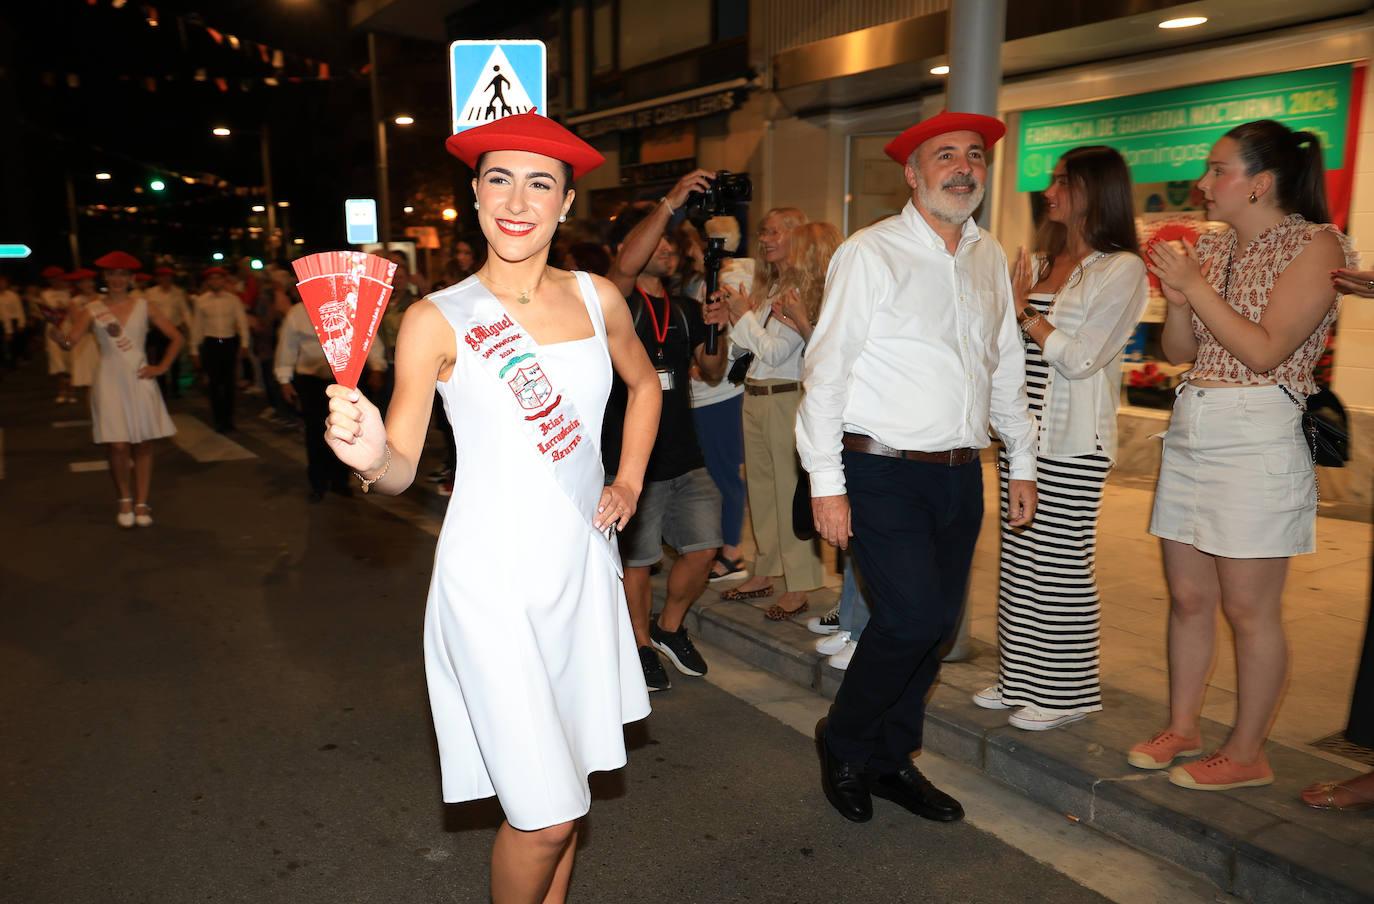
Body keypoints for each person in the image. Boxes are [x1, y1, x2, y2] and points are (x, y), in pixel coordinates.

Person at [322, 112, 658, 904]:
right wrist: (372, 455)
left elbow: (646, 386)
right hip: (490, 587)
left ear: (565, 201)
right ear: (474, 196)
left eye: (540, 182)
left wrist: (631, 481)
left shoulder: (599, 297)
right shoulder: (437, 318)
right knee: (543, 818)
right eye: (499, 179)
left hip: (580, 573)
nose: (518, 198)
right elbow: (403, 466)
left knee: (570, 798)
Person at [798, 111, 1037, 824]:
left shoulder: (989, 256)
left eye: (975, 156)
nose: (963, 168)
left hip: (960, 473)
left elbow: (1006, 366)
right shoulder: (871, 254)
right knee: (911, 618)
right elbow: (826, 372)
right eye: (945, 156)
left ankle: (889, 758)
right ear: (912, 173)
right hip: (881, 470)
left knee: (934, 629)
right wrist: (827, 485)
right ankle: (842, 738)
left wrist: (1020, 460)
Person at [1140, 120, 1355, 792]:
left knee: (1248, 607)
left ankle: (1247, 751)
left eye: (1217, 170)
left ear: (1260, 183)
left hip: (1260, 427)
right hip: (1196, 420)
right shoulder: (1213, 245)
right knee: (1188, 595)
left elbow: (1266, 350)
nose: (1204, 185)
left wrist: (1196, 289)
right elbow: (1180, 352)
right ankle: (1183, 725)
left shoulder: (1317, 245)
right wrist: (1179, 299)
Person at [971, 147, 1150, 731]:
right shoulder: (1047, 260)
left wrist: (1024, 315)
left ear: (1092, 192)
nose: (1047, 192)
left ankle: (1068, 691)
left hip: (1072, 442)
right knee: (1019, 561)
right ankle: (1021, 677)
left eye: (1060, 182)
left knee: (1058, 565)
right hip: (1024, 437)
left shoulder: (1120, 268)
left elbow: (1081, 358)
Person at [604, 170, 730, 691]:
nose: (669, 252)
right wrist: (671, 202)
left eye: (675, 246)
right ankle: (637, 644)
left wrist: (718, 326)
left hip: (685, 452)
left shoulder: (682, 309)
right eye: (660, 242)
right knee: (640, 559)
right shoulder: (616, 301)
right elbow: (624, 267)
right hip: (634, 456)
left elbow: (714, 368)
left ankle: (668, 628)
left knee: (704, 548)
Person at [711, 208, 826, 620]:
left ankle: (798, 584)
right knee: (761, 491)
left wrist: (743, 317)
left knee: (788, 492)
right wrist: (738, 318)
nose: (765, 240)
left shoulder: (806, 288)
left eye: (774, 232)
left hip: (785, 397)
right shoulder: (771, 284)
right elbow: (748, 351)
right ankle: (766, 570)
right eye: (762, 233)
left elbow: (777, 351)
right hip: (756, 393)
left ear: (796, 236)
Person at [54, 252, 181, 527]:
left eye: (122, 274)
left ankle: (142, 501)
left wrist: (161, 368)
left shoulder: (145, 306)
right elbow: (69, 342)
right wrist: (56, 334)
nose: (117, 279)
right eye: (112, 274)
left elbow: (176, 337)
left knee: (144, 442)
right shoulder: (92, 309)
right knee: (118, 444)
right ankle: (124, 496)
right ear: (105, 277)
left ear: (131, 278)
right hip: (109, 379)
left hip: (139, 376)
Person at [275, 290, 387, 502]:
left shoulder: (350, 310)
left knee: (346, 432)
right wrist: (284, 379)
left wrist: (377, 367)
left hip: (345, 380)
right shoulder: (297, 313)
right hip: (311, 382)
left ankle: (340, 481)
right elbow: (287, 347)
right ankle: (317, 483)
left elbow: (368, 337)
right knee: (315, 432)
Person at [689, 217, 750, 584]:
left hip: (721, 394)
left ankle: (732, 552)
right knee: (712, 474)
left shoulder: (728, 284)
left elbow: (738, 338)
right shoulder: (701, 283)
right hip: (706, 396)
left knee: (724, 474)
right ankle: (721, 547)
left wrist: (709, 363)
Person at [191, 266, 250, 432]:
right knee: (214, 384)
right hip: (210, 344)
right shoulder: (201, 301)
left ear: (224, 281)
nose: (215, 281)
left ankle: (229, 419)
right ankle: (218, 419)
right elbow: (197, 326)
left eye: (219, 278)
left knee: (230, 383)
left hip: (229, 343)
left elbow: (242, 322)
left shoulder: (233, 300)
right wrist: (194, 350)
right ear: (208, 281)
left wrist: (245, 343)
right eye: (212, 279)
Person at [144, 266, 191, 398]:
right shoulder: (150, 293)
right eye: (162, 276)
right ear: (158, 278)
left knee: (175, 359)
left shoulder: (178, 293)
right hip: (158, 330)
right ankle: (162, 389)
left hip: (175, 329)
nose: (165, 279)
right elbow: (145, 312)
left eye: (168, 277)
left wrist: (190, 327)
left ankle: (175, 389)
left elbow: (185, 311)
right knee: (159, 358)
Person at [65, 268, 101, 406]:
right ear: (78, 285)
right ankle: (95, 420)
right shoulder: (75, 301)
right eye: (84, 282)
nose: (88, 284)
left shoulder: (103, 298)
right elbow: (77, 323)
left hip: (103, 341)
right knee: (91, 383)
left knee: (106, 382)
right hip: (86, 343)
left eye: (90, 281)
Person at [0, 273, 24, 368]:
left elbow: (19, 309)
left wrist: (21, 323)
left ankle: (14, 361)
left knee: (14, 344)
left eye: (3, 282)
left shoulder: (13, 295)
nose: (1, 284)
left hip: (13, 321)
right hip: (1, 322)